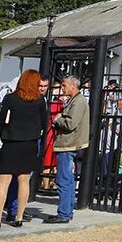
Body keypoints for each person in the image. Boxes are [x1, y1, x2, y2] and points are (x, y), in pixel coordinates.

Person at [0, 69, 48, 229]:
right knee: (24, 180)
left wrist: (6, 135)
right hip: (30, 143)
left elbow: (2, 120)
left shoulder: (11, 98)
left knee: (3, 182)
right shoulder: (39, 100)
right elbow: (43, 122)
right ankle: (19, 216)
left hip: (12, 142)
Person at [46, 75, 89, 224]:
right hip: (68, 143)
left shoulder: (78, 102)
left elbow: (71, 124)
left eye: (64, 85)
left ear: (73, 86)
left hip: (68, 144)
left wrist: (58, 119)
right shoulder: (75, 100)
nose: (62, 88)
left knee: (64, 180)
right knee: (68, 180)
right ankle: (66, 211)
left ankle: (64, 213)